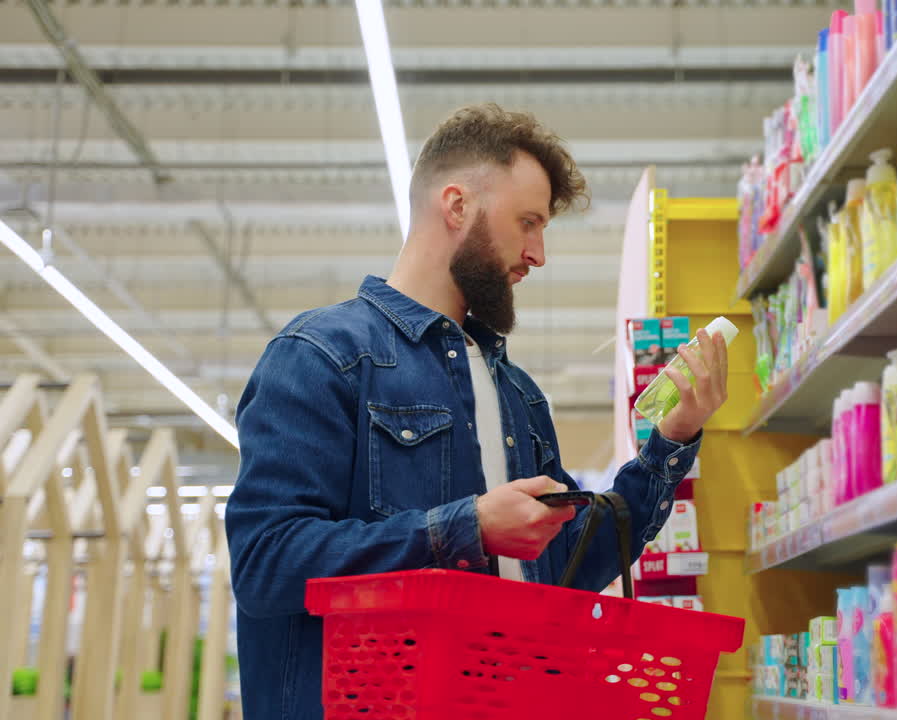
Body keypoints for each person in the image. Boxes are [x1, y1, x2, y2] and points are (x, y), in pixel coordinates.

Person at [224, 103, 730, 719]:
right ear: (457, 206)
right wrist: (464, 529)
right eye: (528, 223)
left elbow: (568, 569)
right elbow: (265, 562)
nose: (538, 253)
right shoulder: (323, 357)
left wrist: (670, 441)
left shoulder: (517, 394)